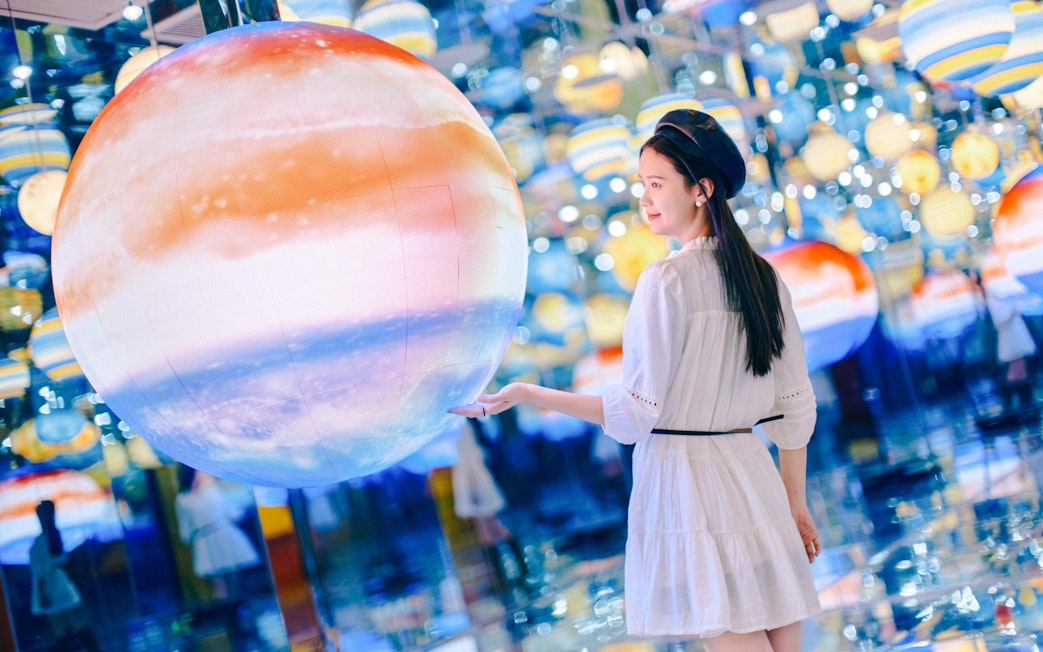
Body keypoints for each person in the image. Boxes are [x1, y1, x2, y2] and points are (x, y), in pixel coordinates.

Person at [451, 109, 821, 651]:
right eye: (641, 184)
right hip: (753, 476)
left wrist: (528, 392)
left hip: (691, 488)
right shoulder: (762, 277)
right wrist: (795, 502)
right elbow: (795, 406)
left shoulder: (666, 282)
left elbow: (635, 412)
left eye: (656, 184)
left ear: (701, 190)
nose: (644, 198)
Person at [174, 465, 262, 601]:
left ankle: (240, 607)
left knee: (235, 579)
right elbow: (185, 527)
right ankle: (229, 613)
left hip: (224, 533)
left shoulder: (212, 489)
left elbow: (230, 512)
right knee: (219, 584)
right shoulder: (183, 499)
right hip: (206, 540)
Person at [29, 500, 100, 652]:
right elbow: (59, 562)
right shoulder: (51, 538)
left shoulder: (42, 541)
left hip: (52, 585)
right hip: (60, 584)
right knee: (73, 622)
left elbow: (41, 570)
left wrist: (42, 592)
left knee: (60, 626)